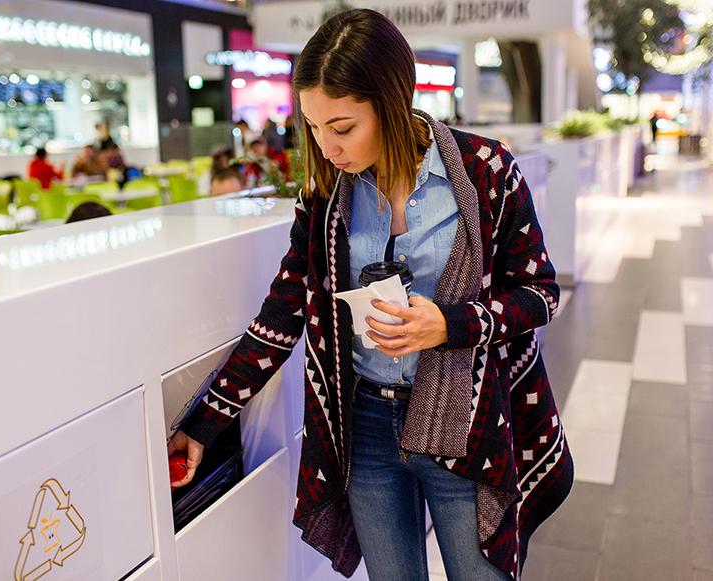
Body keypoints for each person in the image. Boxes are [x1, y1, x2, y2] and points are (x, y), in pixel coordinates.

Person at [169, 9, 573, 581]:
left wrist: (449, 325)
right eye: (312, 126)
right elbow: (284, 311)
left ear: (391, 101)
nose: (326, 147)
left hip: (463, 422)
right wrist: (203, 424)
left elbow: (540, 294)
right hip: (365, 428)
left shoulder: (486, 172)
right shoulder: (328, 197)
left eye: (342, 127)